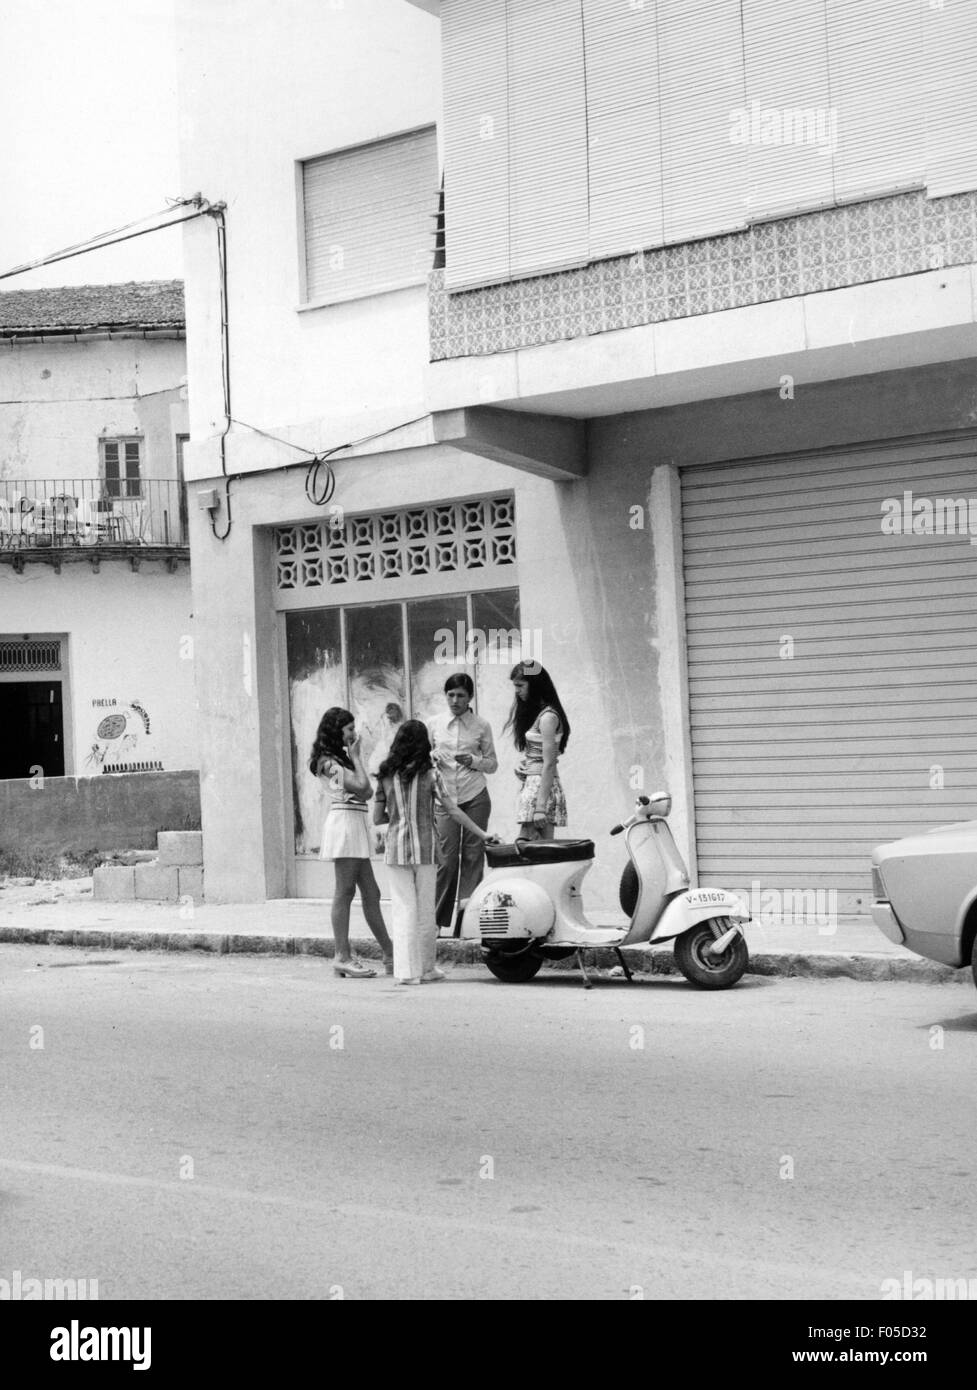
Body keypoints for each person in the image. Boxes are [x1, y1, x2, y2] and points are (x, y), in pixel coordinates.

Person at [374, 719, 496, 985]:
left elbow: (377, 819)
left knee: (403, 909)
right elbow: (452, 810)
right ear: (423, 744)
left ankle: (407, 972)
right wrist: (483, 834)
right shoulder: (431, 775)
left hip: (395, 851)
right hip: (426, 849)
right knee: (425, 911)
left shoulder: (385, 776)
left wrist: (396, 816)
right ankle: (427, 968)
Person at [310, 706, 394, 978]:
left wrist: (354, 758)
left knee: (372, 893)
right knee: (344, 891)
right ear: (337, 731)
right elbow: (362, 788)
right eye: (348, 728)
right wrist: (357, 756)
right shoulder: (327, 762)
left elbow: (365, 790)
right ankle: (341, 955)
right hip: (344, 824)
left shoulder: (339, 760)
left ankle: (390, 953)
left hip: (354, 823)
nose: (353, 733)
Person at [428, 673, 498, 934]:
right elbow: (422, 759)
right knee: (446, 860)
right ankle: (436, 920)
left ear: (470, 697)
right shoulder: (434, 724)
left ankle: (465, 920)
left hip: (474, 795)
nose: (455, 700)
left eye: (460, 695)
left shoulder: (481, 725)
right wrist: (432, 754)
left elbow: (492, 764)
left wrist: (475, 761)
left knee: (473, 857)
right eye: (450, 695)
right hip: (445, 799)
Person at [504, 662, 571, 840]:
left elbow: (549, 763)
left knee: (529, 845)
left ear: (534, 685)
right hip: (535, 784)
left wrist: (540, 807)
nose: (517, 691)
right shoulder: (541, 715)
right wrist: (527, 765)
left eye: (520, 685)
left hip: (541, 788)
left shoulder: (548, 717)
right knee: (539, 848)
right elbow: (542, 758)